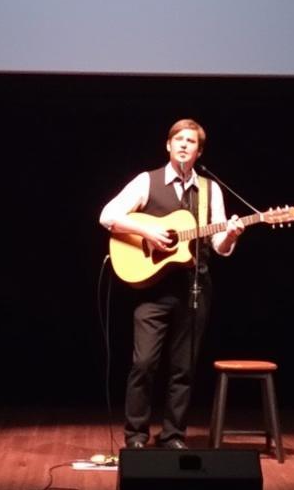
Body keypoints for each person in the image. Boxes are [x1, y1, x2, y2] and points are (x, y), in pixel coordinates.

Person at [100, 118, 245, 449]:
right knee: (143, 364)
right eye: (178, 139)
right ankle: (136, 436)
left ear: (199, 151)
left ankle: (173, 435)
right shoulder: (146, 181)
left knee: (183, 368)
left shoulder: (211, 189)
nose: (183, 145)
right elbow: (107, 215)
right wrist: (148, 232)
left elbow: (219, 247)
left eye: (190, 141)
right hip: (153, 289)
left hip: (195, 289)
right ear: (168, 145)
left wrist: (231, 234)